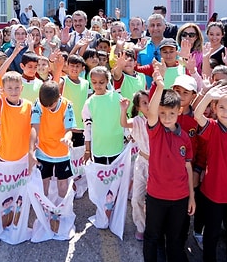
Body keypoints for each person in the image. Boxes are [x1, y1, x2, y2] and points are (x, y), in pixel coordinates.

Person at [193, 84, 227, 262]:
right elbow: (197, 115)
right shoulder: (212, 127)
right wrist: (209, 96)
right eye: (221, 107)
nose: (226, 112)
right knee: (212, 232)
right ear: (215, 108)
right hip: (214, 193)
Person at [143, 73, 195, 261]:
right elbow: (151, 112)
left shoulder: (185, 138)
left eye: (171, 113)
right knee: (152, 236)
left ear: (179, 111)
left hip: (180, 197)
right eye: (162, 113)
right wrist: (159, 85)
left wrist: (191, 196)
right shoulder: (155, 131)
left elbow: (188, 167)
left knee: (174, 239)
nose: (166, 118)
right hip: (156, 196)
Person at [30, 80, 75, 198]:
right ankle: (43, 208)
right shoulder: (38, 104)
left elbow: (69, 129)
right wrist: (31, 149)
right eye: (45, 105)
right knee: (43, 182)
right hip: (43, 150)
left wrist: (67, 139)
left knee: (62, 184)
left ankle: (62, 207)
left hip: (62, 152)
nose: (47, 107)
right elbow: (34, 127)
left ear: (59, 97)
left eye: (51, 105)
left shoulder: (67, 105)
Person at [120, 90, 151, 242]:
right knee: (137, 197)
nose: (148, 105)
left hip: (158, 165)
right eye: (144, 103)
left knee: (155, 200)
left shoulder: (160, 118)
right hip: (142, 163)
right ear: (138, 107)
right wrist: (123, 110)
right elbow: (124, 123)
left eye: (149, 101)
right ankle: (141, 226)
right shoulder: (138, 121)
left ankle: (155, 226)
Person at [82, 66, 124, 165]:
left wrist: (128, 134)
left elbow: (123, 119)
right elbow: (87, 128)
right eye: (94, 82)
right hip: (98, 147)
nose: (97, 85)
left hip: (116, 144)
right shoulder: (89, 103)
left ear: (107, 81)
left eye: (101, 82)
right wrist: (87, 149)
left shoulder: (117, 97)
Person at [58, 54, 90, 147]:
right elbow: (55, 86)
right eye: (72, 65)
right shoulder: (63, 80)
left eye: (77, 66)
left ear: (82, 68)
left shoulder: (86, 83)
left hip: (80, 128)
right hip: (64, 128)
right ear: (67, 66)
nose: (74, 68)